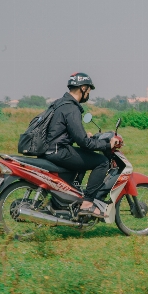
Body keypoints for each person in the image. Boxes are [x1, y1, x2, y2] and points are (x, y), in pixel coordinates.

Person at [42, 72, 118, 218]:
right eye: (89, 89)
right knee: (101, 162)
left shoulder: (60, 103)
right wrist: (107, 144)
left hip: (51, 149)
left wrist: (83, 135)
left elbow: (60, 131)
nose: (89, 92)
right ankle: (88, 204)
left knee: (82, 158)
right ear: (83, 88)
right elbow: (84, 143)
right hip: (59, 151)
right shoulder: (72, 108)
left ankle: (63, 202)